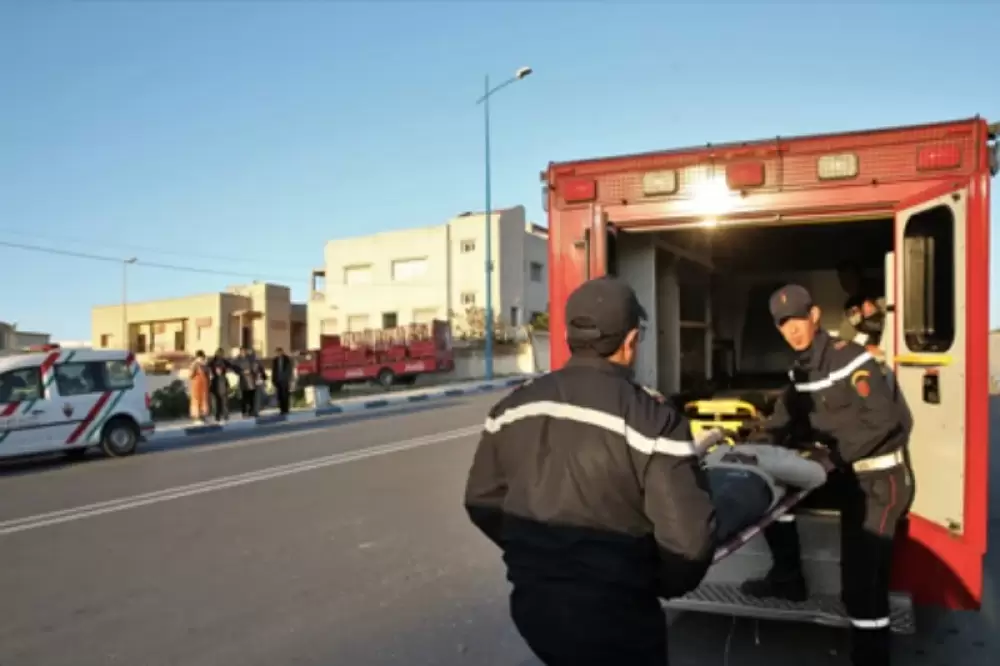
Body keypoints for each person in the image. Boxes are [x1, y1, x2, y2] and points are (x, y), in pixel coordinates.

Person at [464, 276, 722, 666]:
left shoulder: (511, 409)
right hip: (618, 622)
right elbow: (689, 543)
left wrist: (541, 556)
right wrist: (654, 583)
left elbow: (481, 500)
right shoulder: (652, 421)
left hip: (536, 610)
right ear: (632, 340)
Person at [738, 284, 914, 666]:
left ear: (814, 316)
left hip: (879, 483)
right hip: (845, 476)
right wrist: (751, 448)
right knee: (770, 491)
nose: (792, 330)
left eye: (798, 319)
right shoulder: (800, 370)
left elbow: (885, 421)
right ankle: (788, 579)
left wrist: (830, 459)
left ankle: (871, 659)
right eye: (783, 324)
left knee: (862, 586)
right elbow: (786, 418)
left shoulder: (849, 358)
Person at [701, 441, 829, 545]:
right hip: (718, 475)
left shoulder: (782, 455)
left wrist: (758, 461)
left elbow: (816, 476)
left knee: (726, 504)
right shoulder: (726, 448)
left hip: (746, 479)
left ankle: (694, 539)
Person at [208, 348, 236, 423]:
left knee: (223, 400)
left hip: (221, 381)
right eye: (220, 353)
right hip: (216, 381)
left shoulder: (223, 361)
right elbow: (208, 369)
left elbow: (231, 366)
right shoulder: (213, 362)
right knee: (218, 401)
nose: (221, 355)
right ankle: (219, 416)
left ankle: (223, 416)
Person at [188, 351, 211, 423]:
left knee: (204, 400)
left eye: (202, 357)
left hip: (204, 386)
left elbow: (208, 375)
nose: (201, 359)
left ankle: (203, 416)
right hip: (196, 385)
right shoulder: (194, 365)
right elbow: (190, 375)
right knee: (196, 401)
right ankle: (197, 417)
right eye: (200, 358)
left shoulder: (205, 365)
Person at [271, 347, 293, 415]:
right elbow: (274, 371)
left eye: (279, 352)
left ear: (282, 352)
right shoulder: (275, 360)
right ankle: (281, 409)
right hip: (278, 380)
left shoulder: (287, 359)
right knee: (280, 395)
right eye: (277, 352)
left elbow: (289, 369)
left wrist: (289, 378)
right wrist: (273, 379)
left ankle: (286, 409)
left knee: (285, 395)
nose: (278, 353)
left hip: (285, 380)